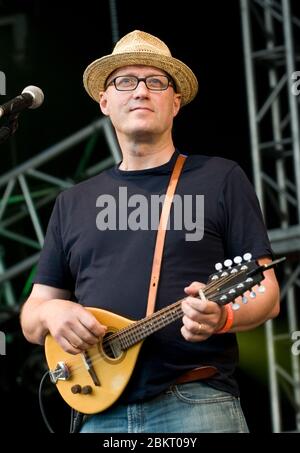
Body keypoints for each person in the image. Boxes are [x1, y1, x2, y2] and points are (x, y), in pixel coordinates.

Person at [20, 30, 280, 433]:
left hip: (195, 401)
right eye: (125, 81)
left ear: (174, 103)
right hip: (96, 411)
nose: (141, 90)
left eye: (156, 82)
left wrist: (223, 316)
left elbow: (267, 292)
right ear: (105, 102)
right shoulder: (72, 201)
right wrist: (54, 311)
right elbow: (33, 317)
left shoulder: (220, 177)